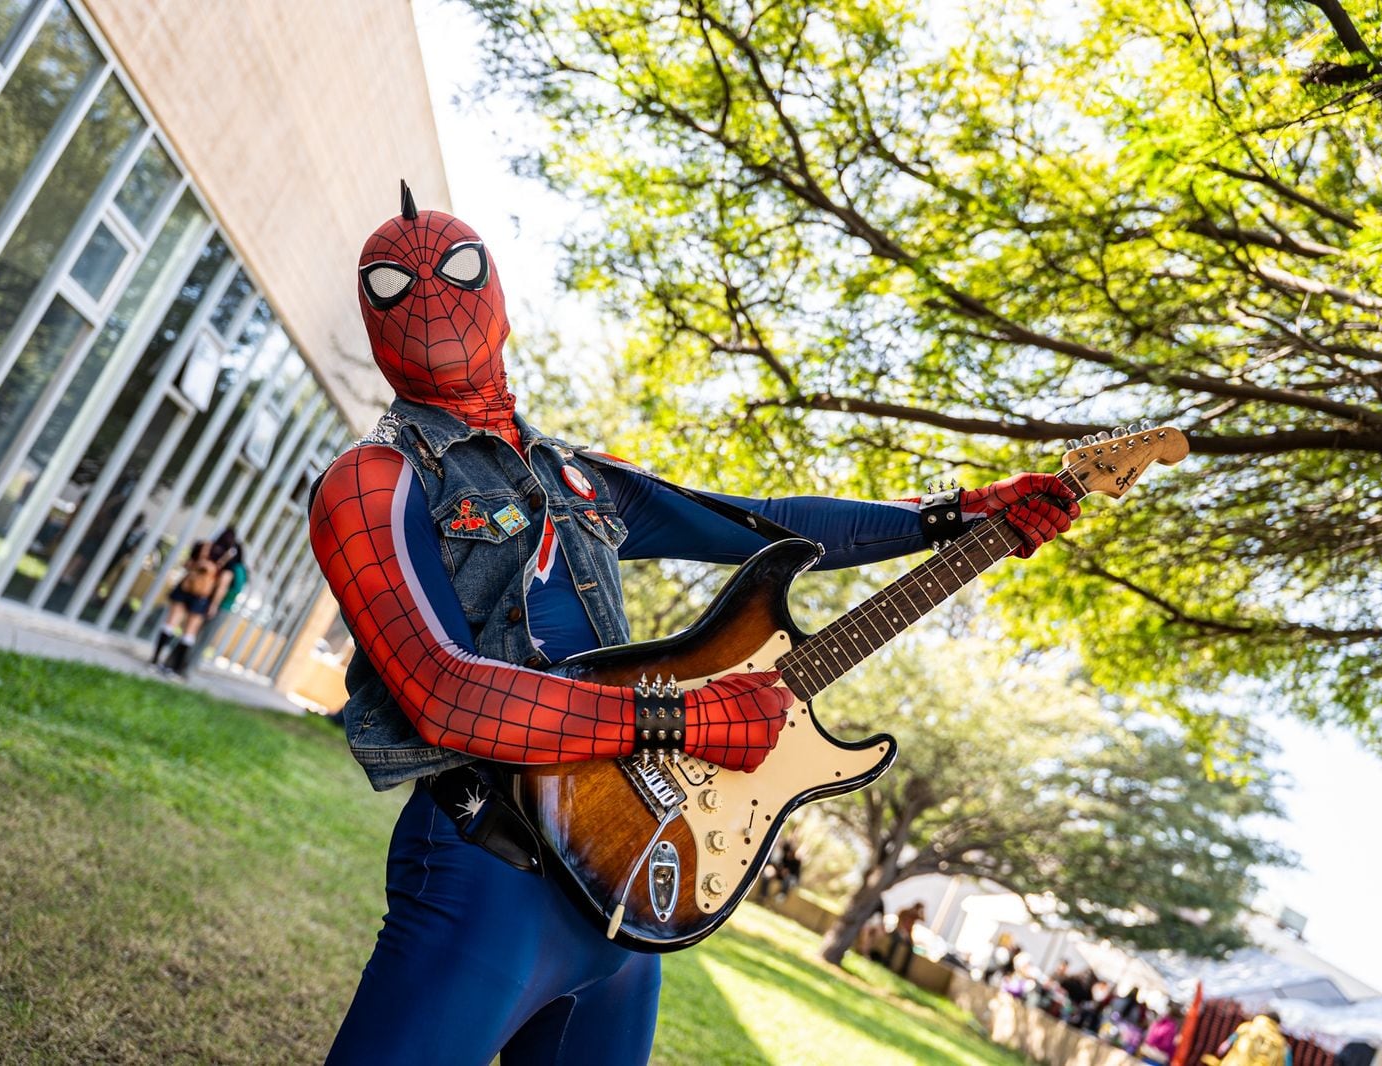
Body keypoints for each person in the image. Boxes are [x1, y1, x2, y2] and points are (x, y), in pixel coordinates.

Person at [307, 185, 1080, 1065]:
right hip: (490, 867)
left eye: (455, 269)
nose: (429, 295)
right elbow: (445, 695)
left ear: (501, 300)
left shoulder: (575, 475)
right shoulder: (372, 478)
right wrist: (685, 718)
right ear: (372, 321)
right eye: (392, 284)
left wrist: (957, 514)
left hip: (631, 882)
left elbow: (767, 524)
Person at [152, 528, 240, 675]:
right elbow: (222, 585)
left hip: (185, 588)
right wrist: (213, 605)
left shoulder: (202, 546)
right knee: (189, 633)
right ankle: (174, 667)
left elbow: (186, 564)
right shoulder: (228, 559)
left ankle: (155, 659)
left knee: (170, 624)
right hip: (202, 597)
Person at [172, 528, 249, 678]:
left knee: (192, 634)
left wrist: (213, 603)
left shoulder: (231, 569)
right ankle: (182, 667)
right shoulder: (241, 570)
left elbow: (222, 588)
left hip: (215, 605)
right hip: (222, 607)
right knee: (198, 637)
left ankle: (179, 665)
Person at [1218, 1010, 1293, 1066]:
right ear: (1277, 1024)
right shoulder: (1282, 1044)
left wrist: (1226, 1044)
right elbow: (1288, 1063)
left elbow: (1225, 1045)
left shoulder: (1247, 1027)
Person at [886, 901, 926, 977]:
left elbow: (924, 920)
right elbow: (899, 923)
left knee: (911, 949)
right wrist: (902, 932)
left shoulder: (915, 916)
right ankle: (887, 961)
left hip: (907, 936)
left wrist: (921, 912)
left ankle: (903, 971)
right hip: (898, 932)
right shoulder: (905, 911)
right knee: (895, 941)